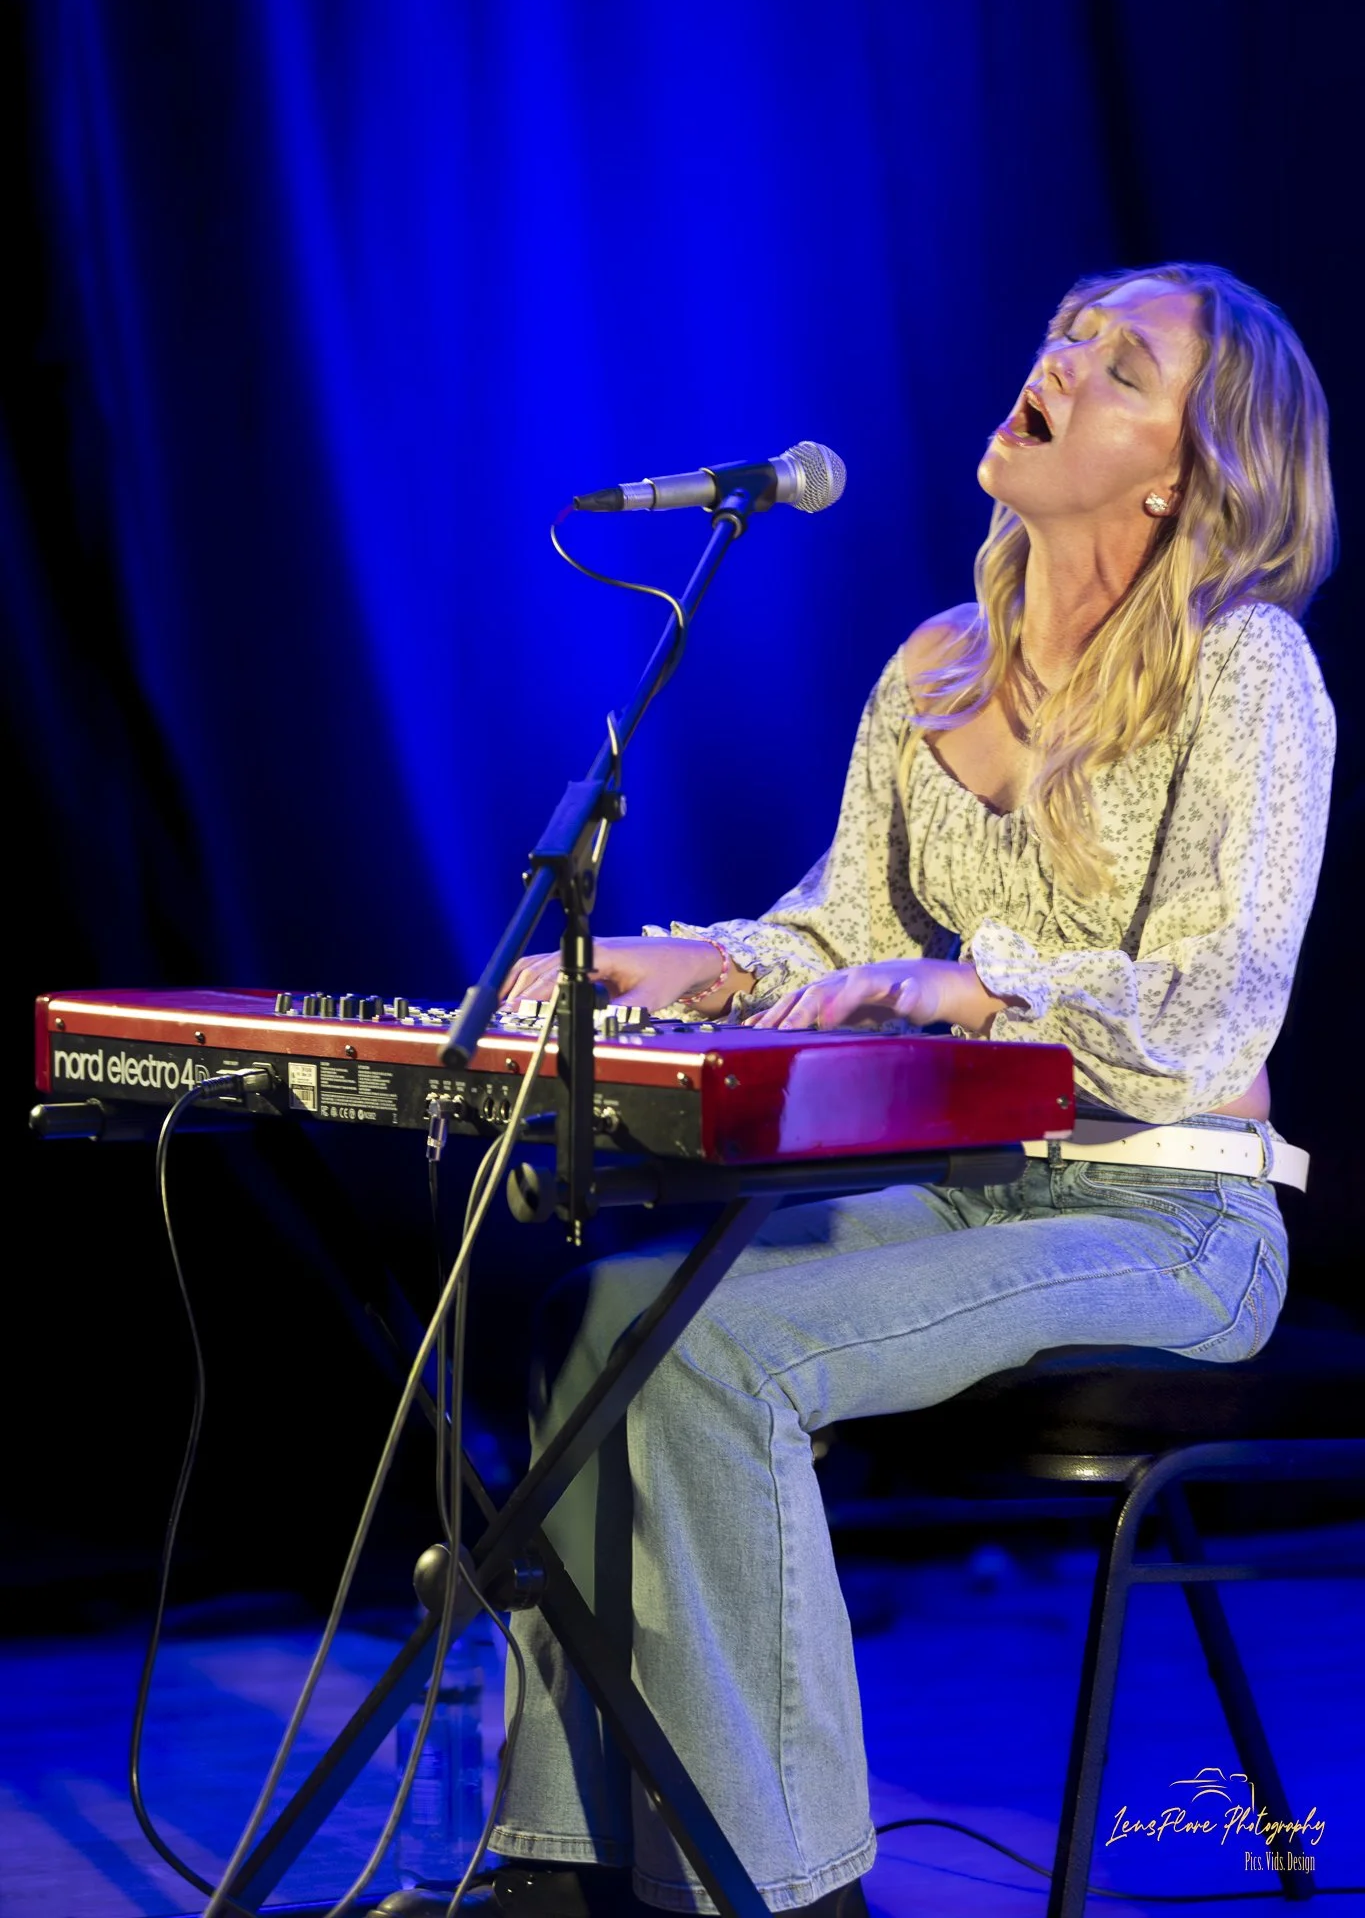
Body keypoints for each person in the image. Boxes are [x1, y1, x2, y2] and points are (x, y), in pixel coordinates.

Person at [483, 265, 1336, 1918]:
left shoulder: (1249, 675)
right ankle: (565, 1874)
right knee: (599, 1324)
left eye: (1122, 360)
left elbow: (1222, 997)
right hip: (978, 1185)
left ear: (1185, 464)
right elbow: (842, 937)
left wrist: (986, 979)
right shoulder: (940, 667)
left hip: (1176, 1217)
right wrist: (679, 963)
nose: (1063, 357)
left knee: (718, 1360)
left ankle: (787, 1892)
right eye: (1067, 332)